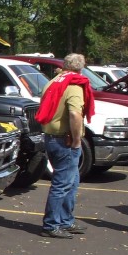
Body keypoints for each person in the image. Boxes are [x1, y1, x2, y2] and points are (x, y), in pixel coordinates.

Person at [37, 53, 94, 238]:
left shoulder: (54, 81)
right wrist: (77, 140)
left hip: (52, 137)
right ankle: (51, 225)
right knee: (62, 184)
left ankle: (65, 221)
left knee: (71, 182)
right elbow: (75, 114)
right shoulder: (74, 85)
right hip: (64, 141)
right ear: (81, 68)